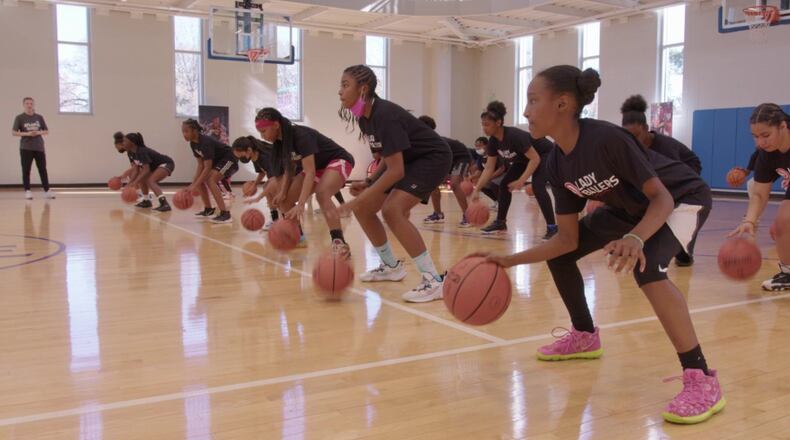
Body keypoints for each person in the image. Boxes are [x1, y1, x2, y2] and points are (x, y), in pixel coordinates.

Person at [478, 65, 722, 424]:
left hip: (680, 198)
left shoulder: (606, 139)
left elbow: (662, 200)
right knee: (561, 258)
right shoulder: (555, 165)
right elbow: (565, 239)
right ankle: (584, 335)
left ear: (562, 104)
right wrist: (509, 261)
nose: (526, 111)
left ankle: (700, 377)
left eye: (533, 100)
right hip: (629, 210)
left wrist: (636, 237)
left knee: (648, 269)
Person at [336, 64, 451, 303]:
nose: (340, 91)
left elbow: (397, 169)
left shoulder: (384, 115)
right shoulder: (364, 118)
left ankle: (433, 280)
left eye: (345, 85)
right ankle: (391, 266)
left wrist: (360, 196)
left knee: (392, 210)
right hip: (409, 161)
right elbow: (387, 160)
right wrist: (369, 182)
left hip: (432, 158)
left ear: (363, 89)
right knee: (363, 209)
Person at [254, 107, 355, 254]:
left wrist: (301, 204)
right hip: (316, 167)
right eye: (260, 133)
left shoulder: (301, 135)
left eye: (263, 131)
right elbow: (289, 169)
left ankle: (339, 242)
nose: (262, 137)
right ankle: (298, 238)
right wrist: (282, 192)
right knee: (284, 200)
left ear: (276, 125)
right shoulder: (281, 142)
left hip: (337, 160)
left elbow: (310, 171)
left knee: (322, 194)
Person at [621, 94, 705, 266]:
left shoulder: (665, 147)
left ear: (646, 128)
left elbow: (678, 175)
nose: (632, 141)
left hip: (685, 178)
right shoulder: (628, 149)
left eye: (636, 135)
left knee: (678, 215)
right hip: (659, 184)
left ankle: (684, 250)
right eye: (628, 137)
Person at [471, 101, 556, 238]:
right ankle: (500, 222)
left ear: (498, 123)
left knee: (538, 187)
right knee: (504, 185)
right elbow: (489, 168)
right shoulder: (493, 141)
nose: (484, 128)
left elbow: (535, 159)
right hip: (523, 160)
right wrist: (477, 190)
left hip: (545, 154)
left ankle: (552, 227)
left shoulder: (514, 136)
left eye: (487, 125)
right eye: (482, 124)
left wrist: (521, 181)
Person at [728, 103, 790, 292]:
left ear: (783, 126)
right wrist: (750, 220)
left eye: (765, 135)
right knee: (783, 222)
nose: (760, 143)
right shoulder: (766, 154)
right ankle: (788, 273)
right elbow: (760, 193)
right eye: (755, 136)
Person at [418, 115, 473, 227]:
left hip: (461, 156)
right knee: (433, 184)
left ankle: (468, 216)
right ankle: (438, 214)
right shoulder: (423, 142)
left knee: (454, 184)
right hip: (448, 159)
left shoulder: (435, 140)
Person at [181, 119, 239, 224]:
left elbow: (207, 167)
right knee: (200, 180)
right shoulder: (193, 144)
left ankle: (225, 214)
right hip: (218, 162)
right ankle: (208, 209)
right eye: (183, 131)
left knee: (211, 180)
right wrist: (194, 183)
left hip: (230, 160)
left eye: (186, 131)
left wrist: (194, 186)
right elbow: (200, 165)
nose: (184, 134)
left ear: (194, 131)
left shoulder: (205, 142)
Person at [117, 132, 174, 212]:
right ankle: (146, 201)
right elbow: (135, 169)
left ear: (132, 143)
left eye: (125, 141)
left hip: (166, 163)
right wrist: (130, 183)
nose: (123, 143)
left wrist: (135, 183)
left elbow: (146, 170)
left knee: (151, 181)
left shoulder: (141, 151)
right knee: (141, 179)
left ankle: (164, 203)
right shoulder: (130, 153)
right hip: (154, 167)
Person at [234, 136, 281, 230]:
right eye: (238, 158)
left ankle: (285, 222)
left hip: (294, 172)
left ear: (249, 150)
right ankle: (275, 220)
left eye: (241, 156)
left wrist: (258, 198)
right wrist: (254, 185)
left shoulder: (265, 156)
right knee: (267, 187)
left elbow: (274, 180)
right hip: (281, 175)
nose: (240, 159)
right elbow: (262, 172)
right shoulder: (255, 156)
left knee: (274, 191)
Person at [12, 97, 54, 200]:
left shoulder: (39, 117)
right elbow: (14, 132)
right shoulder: (19, 118)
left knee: (42, 169)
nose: (29, 105)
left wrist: (38, 132)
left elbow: (46, 131)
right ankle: (28, 191)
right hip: (26, 148)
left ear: (33, 105)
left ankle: (47, 190)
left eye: (31, 103)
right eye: (27, 103)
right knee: (26, 170)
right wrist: (27, 133)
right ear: (24, 105)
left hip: (39, 147)